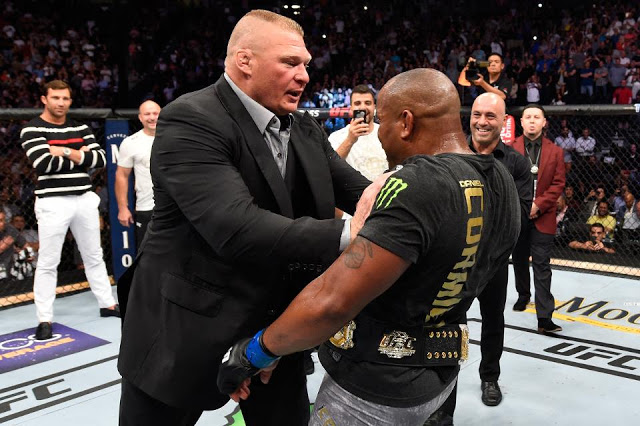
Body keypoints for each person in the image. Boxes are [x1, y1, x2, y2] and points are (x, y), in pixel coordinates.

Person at [217, 68, 520, 426]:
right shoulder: (500, 179)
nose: (379, 134)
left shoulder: (417, 184)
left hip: (373, 389)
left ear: (406, 122)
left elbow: (332, 301)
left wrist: (257, 351)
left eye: (383, 122)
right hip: (440, 375)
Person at [117, 10, 370, 426]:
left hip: (273, 331)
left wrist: (418, 197)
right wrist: (350, 232)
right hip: (186, 327)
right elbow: (235, 227)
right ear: (244, 61)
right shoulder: (191, 118)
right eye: (290, 63)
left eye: (306, 64)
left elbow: (360, 191)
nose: (304, 76)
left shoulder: (303, 128)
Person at [425, 93, 531, 425]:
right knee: (447, 325)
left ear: (503, 122)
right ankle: (442, 396)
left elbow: (520, 213)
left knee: (493, 319)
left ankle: (490, 377)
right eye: (477, 114)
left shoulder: (516, 163)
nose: (482, 122)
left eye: (490, 116)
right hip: (454, 260)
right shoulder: (450, 154)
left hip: (494, 261)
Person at [19, 80, 119, 342]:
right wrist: (79, 155)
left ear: (70, 101)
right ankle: (44, 318)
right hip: (52, 201)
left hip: (84, 198)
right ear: (44, 99)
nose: (61, 103)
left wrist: (63, 150)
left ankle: (107, 303)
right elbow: (44, 163)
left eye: (65, 98)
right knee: (48, 261)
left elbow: (99, 159)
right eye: (56, 98)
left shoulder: (80, 127)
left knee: (94, 254)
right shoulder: (32, 129)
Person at [510, 104, 565, 334]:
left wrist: (538, 205)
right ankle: (523, 295)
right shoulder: (509, 149)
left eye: (536, 117)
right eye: (528, 117)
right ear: (521, 122)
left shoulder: (556, 151)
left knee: (542, 264)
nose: (532, 121)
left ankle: (544, 318)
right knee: (519, 258)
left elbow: (558, 184)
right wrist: (524, 206)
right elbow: (506, 181)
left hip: (544, 215)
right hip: (518, 214)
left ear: (544, 122)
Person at [115, 100, 161, 247]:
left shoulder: (176, 138)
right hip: (146, 206)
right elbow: (122, 175)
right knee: (147, 252)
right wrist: (123, 208)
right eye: (147, 114)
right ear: (140, 117)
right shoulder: (131, 143)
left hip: (177, 206)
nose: (152, 117)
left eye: (155, 113)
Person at [328, 84, 388, 181]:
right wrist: (350, 140)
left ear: (374, 107)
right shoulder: (337, 137)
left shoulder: (386, 133)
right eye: (357, 103)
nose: (363, 107)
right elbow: (329, 168)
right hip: (353, 190)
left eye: (368, 103)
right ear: (351, 108)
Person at [0, 211, 26, 280]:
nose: (3, 223)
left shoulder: (9, 229)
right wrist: (2, 247)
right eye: (0, 220)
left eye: (4, 220)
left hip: (9, 270)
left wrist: (27, 252)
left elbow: (25, 245)